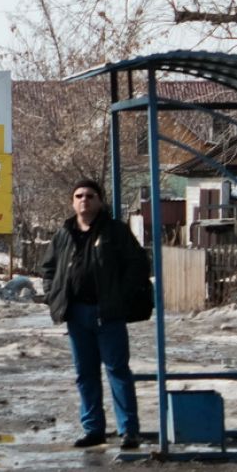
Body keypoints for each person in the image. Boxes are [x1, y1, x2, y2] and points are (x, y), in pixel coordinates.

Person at [39, 178, 150, 450]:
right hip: (77, 315)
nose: (84, 200)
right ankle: (93, 430)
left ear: (100, 201)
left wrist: (119, 299)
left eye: (90, 196)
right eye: (79, 196)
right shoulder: (64, 234)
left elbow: (137, 266)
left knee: (117, 370)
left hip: (108, 314)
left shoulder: (115, 232)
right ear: (72, 201)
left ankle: (128, 430)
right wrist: (53, 295)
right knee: (85, 374)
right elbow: (48, 269)